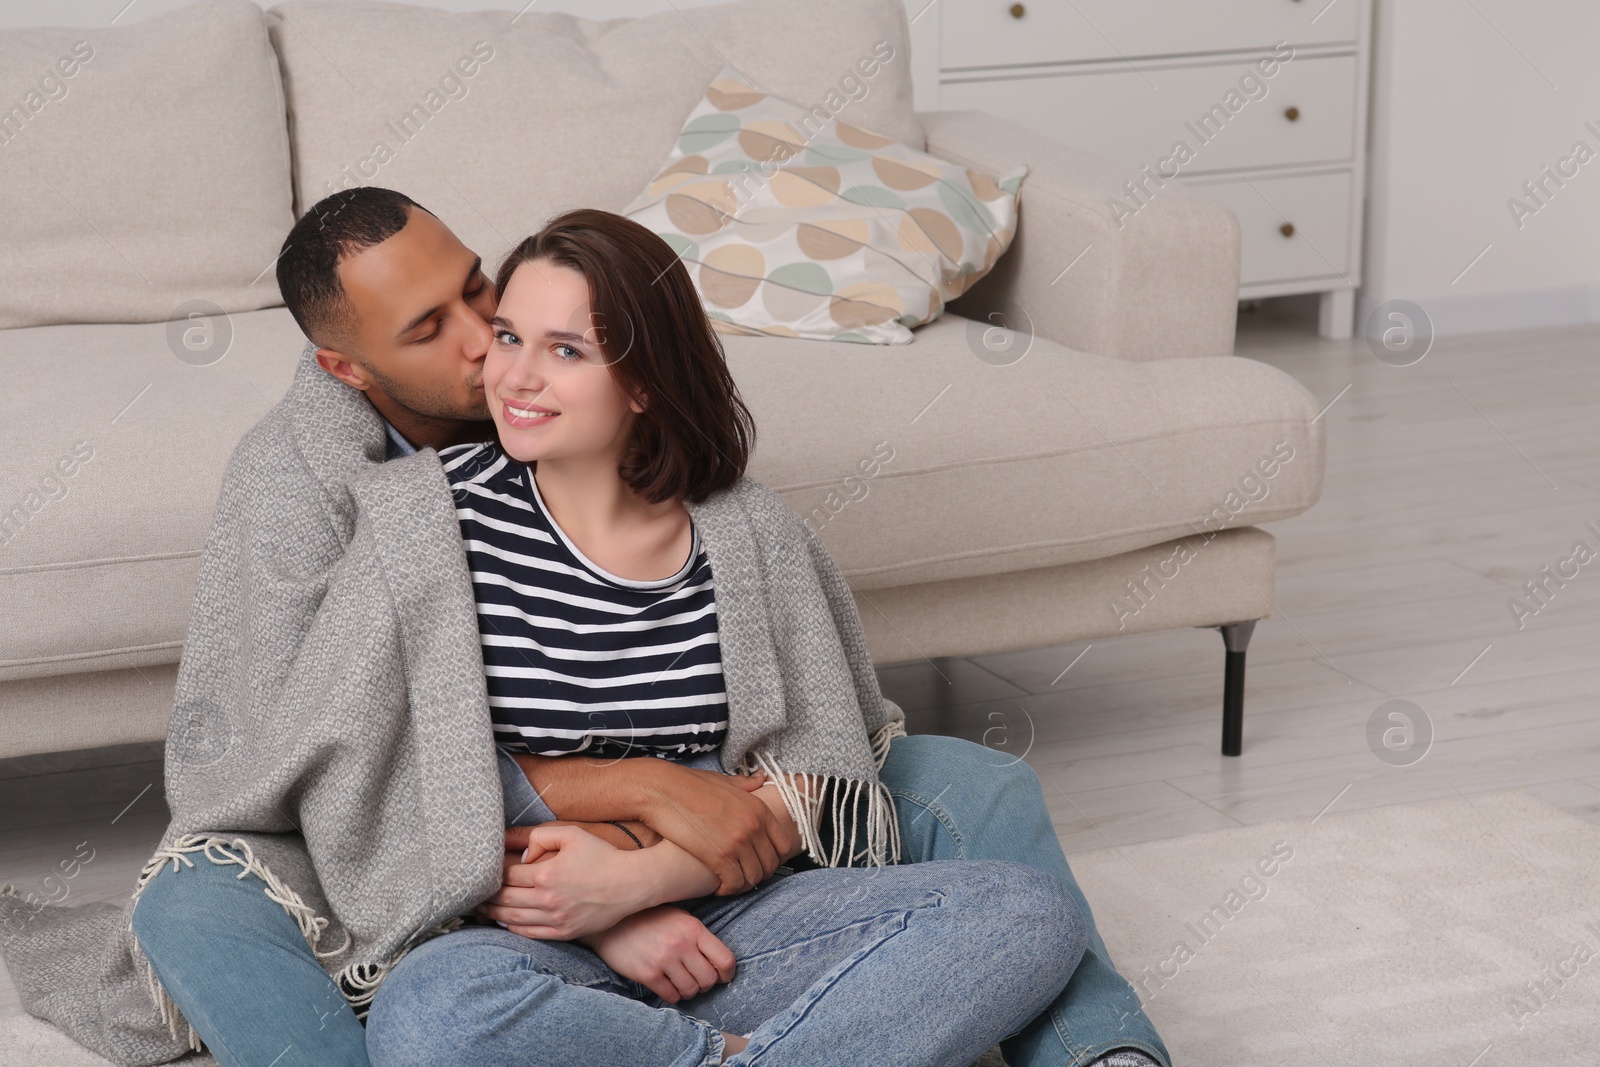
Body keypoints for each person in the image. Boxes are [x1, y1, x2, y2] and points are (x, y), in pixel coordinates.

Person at [6, 187, 1168, 1067]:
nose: (485, 347)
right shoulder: (355, 501)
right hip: (445, 871)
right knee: (382, 985)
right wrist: (626, 823)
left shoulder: (736, 527)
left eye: (494, 303)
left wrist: (666, 859)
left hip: (724, 885)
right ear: (346, 367)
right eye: (453, 330)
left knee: (1005, 852)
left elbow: (813, 747)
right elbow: (323, 752)